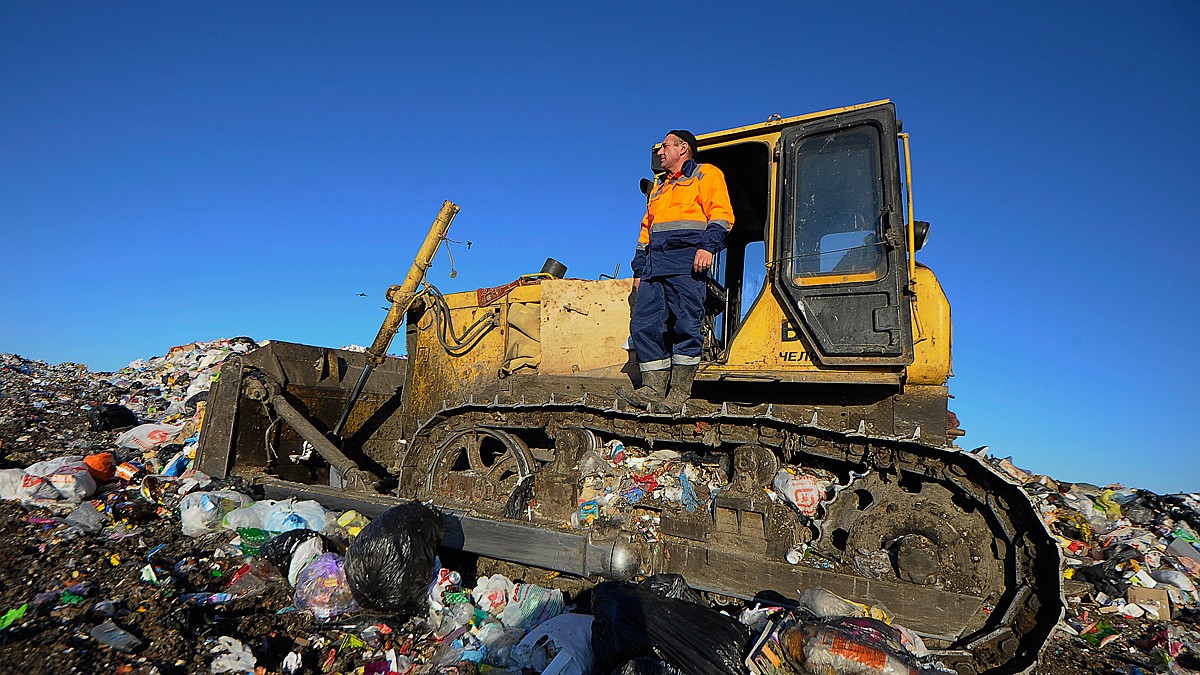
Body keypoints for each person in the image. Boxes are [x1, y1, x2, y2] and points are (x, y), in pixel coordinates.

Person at [621, 129, 734, 411]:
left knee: (686, 324)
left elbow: (721, 215)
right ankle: (653, 388)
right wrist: (638, 271)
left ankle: (678, 393)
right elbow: (646, 232)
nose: (660, 152)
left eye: (665, 147)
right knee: (644, 324)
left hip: (686, 262)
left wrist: (708, 247)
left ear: (683, 148)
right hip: (653, 267)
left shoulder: (706, 175)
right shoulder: (660, 187)